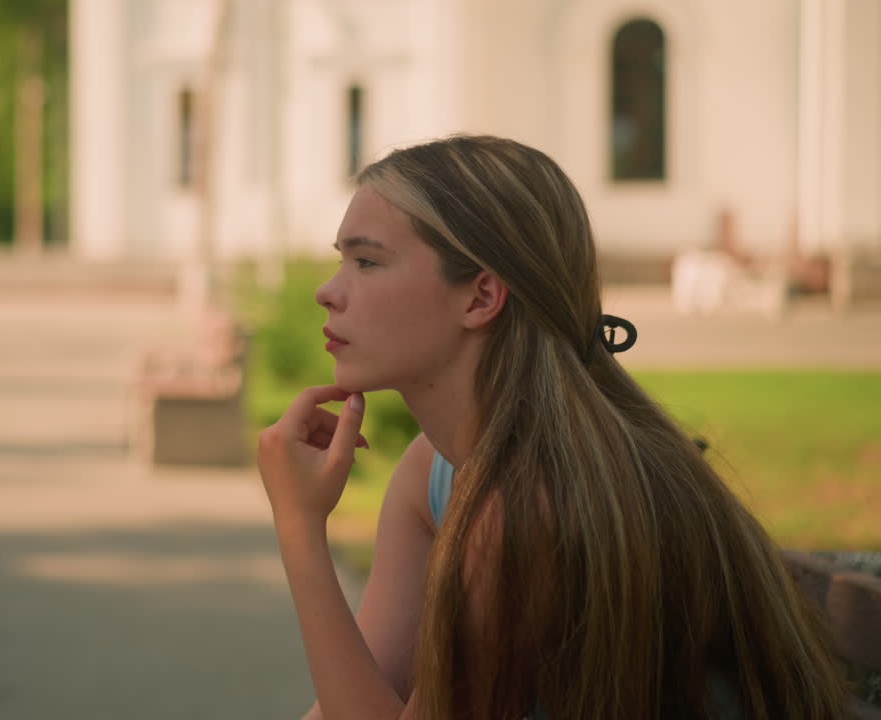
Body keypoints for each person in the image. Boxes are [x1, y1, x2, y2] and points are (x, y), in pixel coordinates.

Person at [255, 135, 846, 720]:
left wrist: (299, 528)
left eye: (366, 262)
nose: (327, 291)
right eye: (341, 260)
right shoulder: (434, 469)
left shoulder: (523, 508)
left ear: (481, 297)